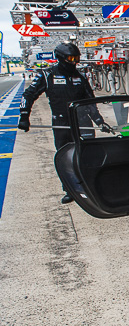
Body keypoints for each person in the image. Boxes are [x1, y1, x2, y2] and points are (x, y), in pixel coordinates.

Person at [18, 42, 111, 204]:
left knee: (87, 155)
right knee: (66, 158)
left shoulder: (80, 77)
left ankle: (91, 187)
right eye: (71, 58)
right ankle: (70, 189)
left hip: (83, 122)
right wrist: (25, 116)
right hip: (62, 124)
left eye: (77, 58)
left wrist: (99, 121)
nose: (74, 62)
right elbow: (28, 95)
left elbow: (90, 102)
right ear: (61, 58)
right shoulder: (47, 75)